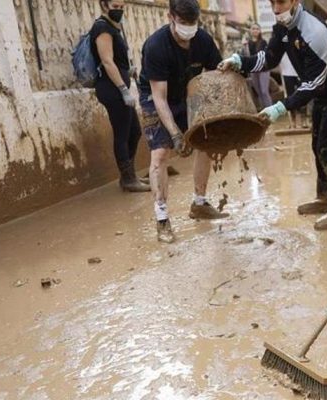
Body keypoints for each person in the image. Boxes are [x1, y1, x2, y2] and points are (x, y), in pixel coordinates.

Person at [218, 0, 327, 231]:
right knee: (317, 145)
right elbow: (269, 58)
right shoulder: (282, 27)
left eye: (281, 2)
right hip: (323, 94)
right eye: (272, 2)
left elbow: (312, 84)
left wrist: (279, 107)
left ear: (295, 0)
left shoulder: (315, 31)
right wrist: (239, 62)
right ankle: (323, 197)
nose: (275, 9)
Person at [138, 0, 228, 243]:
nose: (189, 28)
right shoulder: (156, 46)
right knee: (160, 154)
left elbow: (216, 77)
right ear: (171, 17)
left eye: (193, 22)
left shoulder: (204, 41)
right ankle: (162, 218)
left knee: (206, 142)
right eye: (183, 22)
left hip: (188, 91)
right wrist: (176, 134)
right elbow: (160, 98)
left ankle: (199, 203)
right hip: (156, 97)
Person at [90, 0, 150, 193]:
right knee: (123, 133)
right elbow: (107, 61)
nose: (119, 11)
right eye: (115, 7)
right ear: (104, 5)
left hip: (117, 86)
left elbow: (116, 59)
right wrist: (124, 89)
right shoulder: (102, 27)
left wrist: (128, 69)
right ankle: (128, 179)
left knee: (134, 132)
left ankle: (129, 175)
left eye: (122, 7)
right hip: (111, 89)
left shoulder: (113, 27)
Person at [243, 23, 274, 108]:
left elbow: (264, 55)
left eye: (257, 29)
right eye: (253, 29)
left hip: (263, 69)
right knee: (259, 92)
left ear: (260, 31)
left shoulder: (263, 42)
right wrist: (245, 45)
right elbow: (246, 56)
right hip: (254, 69)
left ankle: (270, 111)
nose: (255, 30)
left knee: (264, 91)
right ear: (250, 30)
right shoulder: (247, 43)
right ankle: (264, 111)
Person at [279, 53, 309, 129]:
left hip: (300, 70)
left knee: (303, 94)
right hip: (287, 72)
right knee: (290, 95)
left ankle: (303, 120)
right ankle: (293, 121)